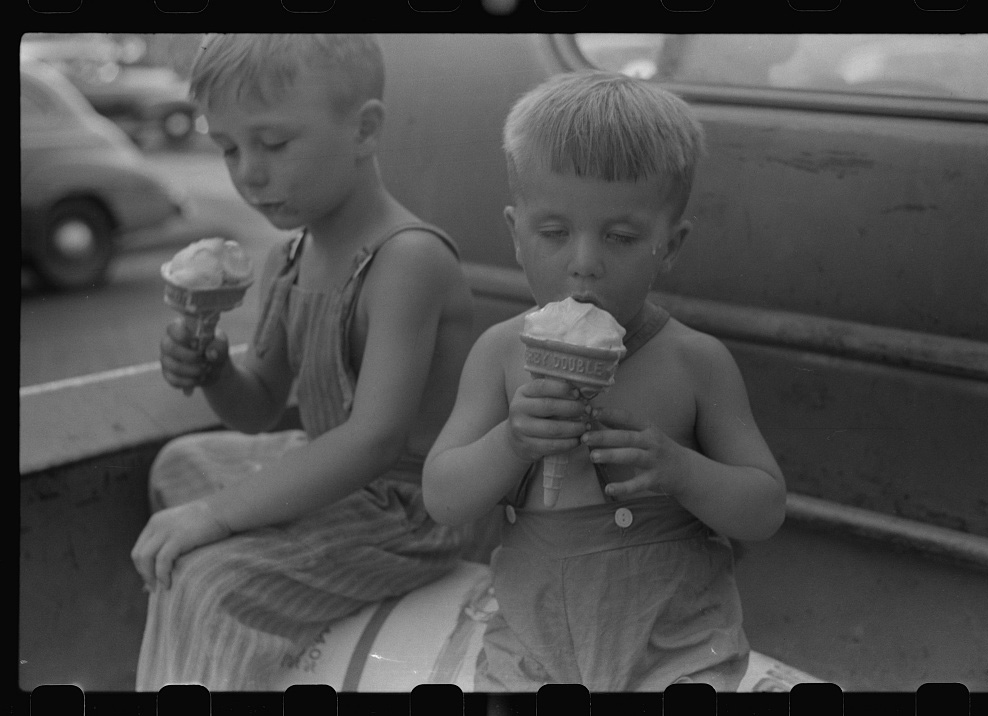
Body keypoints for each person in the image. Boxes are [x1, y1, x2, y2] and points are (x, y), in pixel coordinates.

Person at [422, 70, 787, 692]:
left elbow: (765, 507)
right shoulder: (501, 355)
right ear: (515, 234)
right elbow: (443, 496)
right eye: (554, 233)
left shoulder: (696, 362)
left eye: (620, 237)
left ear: (669, 246)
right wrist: (510, 443)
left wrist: (682, 470)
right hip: (533, 650)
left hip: (677, 650)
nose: (584, 261)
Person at [131, 34, 475, 691]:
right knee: (180, 464)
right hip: (336, 477)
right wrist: (214, 372)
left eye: (274, 143)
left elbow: (373, 442)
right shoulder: (287, 261)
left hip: (407, 513)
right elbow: (259, 406)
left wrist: (219, 515)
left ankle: (221, 652)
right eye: (229, 148)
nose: (248, 173)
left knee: (209, 579)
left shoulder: (408, 261)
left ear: (364, 129)